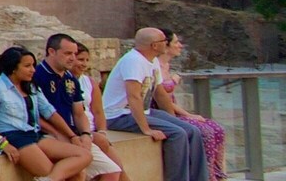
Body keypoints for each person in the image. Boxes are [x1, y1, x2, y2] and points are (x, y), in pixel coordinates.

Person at [0, 46, 92, 180]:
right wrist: (3, 144)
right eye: (27, 66)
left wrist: (72, 135)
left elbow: (49, 112)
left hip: (33, 133)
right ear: (13, 68)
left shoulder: (31, 86)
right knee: (54, 172)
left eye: (33, 65)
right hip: (13, 137)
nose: (33, 70)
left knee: (83, 157)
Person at [103, 27, 207, 181]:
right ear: (154, 45)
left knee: (192, 130)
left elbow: (160, 93)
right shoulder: (133, 61)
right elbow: (134, 97)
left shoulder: (152, 61)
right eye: (163, 41)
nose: (166, 43)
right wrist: (146, 129)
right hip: (118, 115)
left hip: (143, 112)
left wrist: (172, 119)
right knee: (178, 134)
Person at [33, 34, 122, 181]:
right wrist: (59, 133)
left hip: (72, 134)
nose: (72, 58)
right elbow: (33, 113)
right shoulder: (38, 75)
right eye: (68, 53)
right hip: (47, 134)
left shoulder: (70, 78)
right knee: (78, 171)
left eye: (74, 54)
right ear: (51, 51)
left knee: (112, 171)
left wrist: (86, 135)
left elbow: (79, 113)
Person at [153, 30, 229, 180]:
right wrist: (188, 114)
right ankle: (204, 176)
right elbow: (162, 98)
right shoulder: (154, 67)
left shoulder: (166, 66)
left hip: (173, 110)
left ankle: (217, 173)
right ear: (165, 45)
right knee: (204, 132)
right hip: (162, 112)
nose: (180, 46)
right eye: (176, 42)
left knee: (218, 129)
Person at [73, 43, 131, 181]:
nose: (84, 64)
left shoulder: (89, 82)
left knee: (118, 170)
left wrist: (102, 132)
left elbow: (98, 112)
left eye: (87, 60)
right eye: (80, 59)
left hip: (93, 131)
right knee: (116, 172)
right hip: (80, 132)